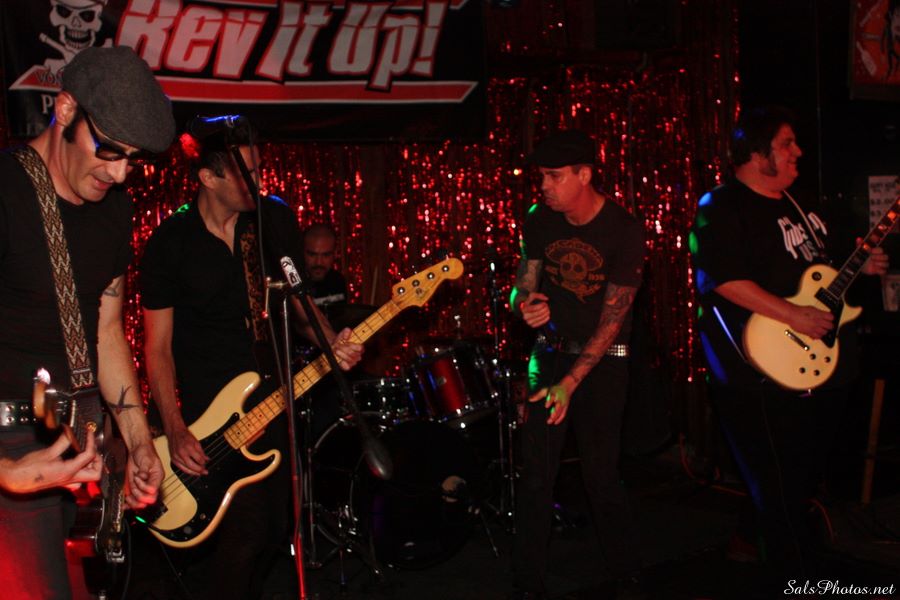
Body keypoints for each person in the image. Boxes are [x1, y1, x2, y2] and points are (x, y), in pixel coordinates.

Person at [140, 121, 363, 600]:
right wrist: (175, 428)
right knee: (246, 528)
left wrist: (333, 341)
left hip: (272, 396)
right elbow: (156, 347)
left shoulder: (273, 221)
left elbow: (302, 308)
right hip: (206, 410)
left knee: (274, 529)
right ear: (207, 177)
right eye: (247, 174)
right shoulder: (170, 242)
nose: (259, 182)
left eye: (259, 169)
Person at [690, 106, 889, 585]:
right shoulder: (722, 205)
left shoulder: (804, 205)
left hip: (823, 364)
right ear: (758, 153)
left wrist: (863, 265)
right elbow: (722, 279)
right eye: (786, 144)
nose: (798, 151)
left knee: (796, 477)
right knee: (781, 484)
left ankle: (748, 538)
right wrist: (792, 315)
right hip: (756, 371)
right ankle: (799, 579)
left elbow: (825, 272)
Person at [0, 46, 171, 599]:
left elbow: (105, 330)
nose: (119, 173)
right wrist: (5, 470)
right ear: (66, 110)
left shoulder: (113, 210)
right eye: (110, 149)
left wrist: (140, 441)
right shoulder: (5, 193)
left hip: (70, 442)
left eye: (134, 161)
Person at [509, 130, 646, 598]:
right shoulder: (539, 219)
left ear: (584, 175)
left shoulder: (623, 229)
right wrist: (525, 305)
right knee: (536, 474)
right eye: (541, 177)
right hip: (549, 354)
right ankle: (527, 583)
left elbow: (612, 322)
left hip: (603, 361)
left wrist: (571, 382)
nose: (544, 186)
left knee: (600, 474)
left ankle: (627, 573)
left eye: (554, 176)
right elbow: (522, 284)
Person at [303, 222, 348, 308]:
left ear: (335, 254)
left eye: (326, 255)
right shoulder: (291, 285)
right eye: (312, 255)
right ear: (302, 252)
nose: (319, 262)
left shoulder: (337, 282)